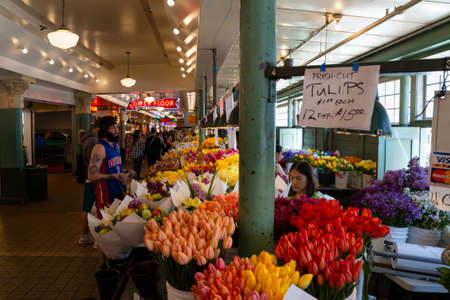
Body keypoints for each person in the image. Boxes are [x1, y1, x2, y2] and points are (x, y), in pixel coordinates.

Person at [87, 116, 134, 267]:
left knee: (115, 228)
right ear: (104, 130)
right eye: (112, 127)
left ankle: (114, 259)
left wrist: (125, 173)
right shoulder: (99, 148)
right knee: (104, 230)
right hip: (105, 196)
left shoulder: (114, 147)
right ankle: (102, 264)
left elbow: (116, 169)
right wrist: (115, 176)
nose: (116, 130)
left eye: (116, 127)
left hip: (118, 194)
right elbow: (91, 175)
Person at [78, 119, 100, 245]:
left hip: (89, 177)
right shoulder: (93, 141)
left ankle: (86, 233)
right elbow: (93, 162)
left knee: (87, 206)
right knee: (88, 207)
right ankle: (85, 234)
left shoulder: (88, 139)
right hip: (91, 179)